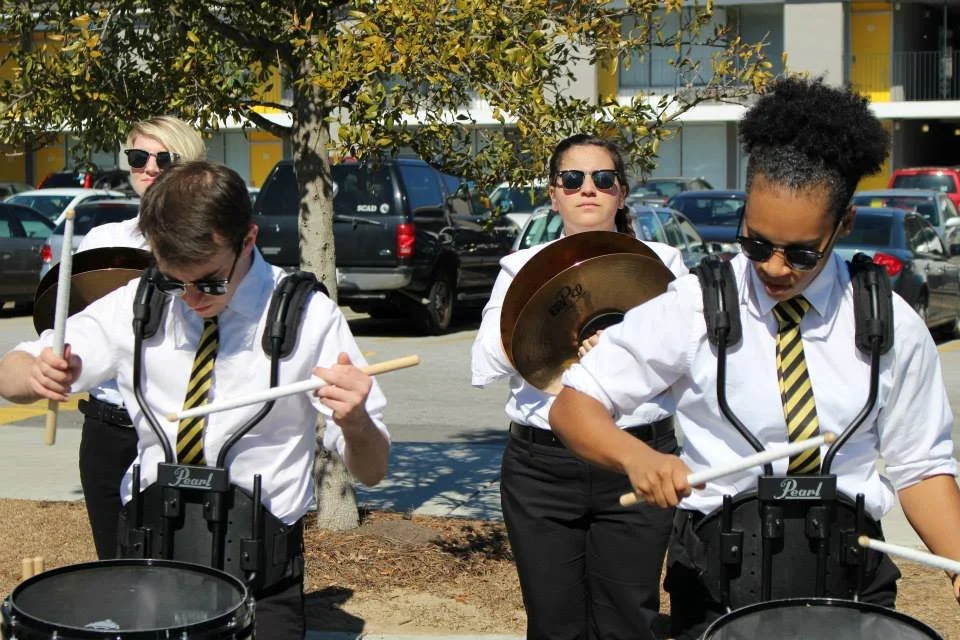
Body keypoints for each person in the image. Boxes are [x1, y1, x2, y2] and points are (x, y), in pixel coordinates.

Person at [550, 77, 960, 639]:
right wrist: (634, 456)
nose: (773, 268)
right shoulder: (693, 306)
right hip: (718, 582)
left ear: (843, 225)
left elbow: (921, 468)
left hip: (847, 581)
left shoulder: (892, 324)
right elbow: (574, 404)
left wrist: (957, 562)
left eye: (801, 254)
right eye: (757, 243)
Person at [0, 160, 391, 639]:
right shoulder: (138, 304)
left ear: (248, 240)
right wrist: (38, 372)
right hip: (148, 563)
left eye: (209, 281)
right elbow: (11, 373)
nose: (190, 298)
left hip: (259, 581)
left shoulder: (309, 316)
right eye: (173, 280)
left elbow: (372, 469)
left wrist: (356, 422)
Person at [471, 133, 689, 640]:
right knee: (554, 624)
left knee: (629, 620)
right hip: (542, 467)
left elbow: (687, 363)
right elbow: (484, 363)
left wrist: (624, 347)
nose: (587, 189)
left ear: (622, 193)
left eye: (603, 178)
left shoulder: (664, 263)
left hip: (635, 457)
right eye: (571, 179)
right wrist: (552, 320)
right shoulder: (519, 268)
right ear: (554, 195)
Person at [73, 115, 207, 560]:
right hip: (109, 425)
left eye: (163, 158)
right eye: (138, 157)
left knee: (182, 564)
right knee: (114, 566)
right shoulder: (101, 240)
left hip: (180, 424)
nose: (149, 168)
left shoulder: (212, 243)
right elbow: (75, 323)